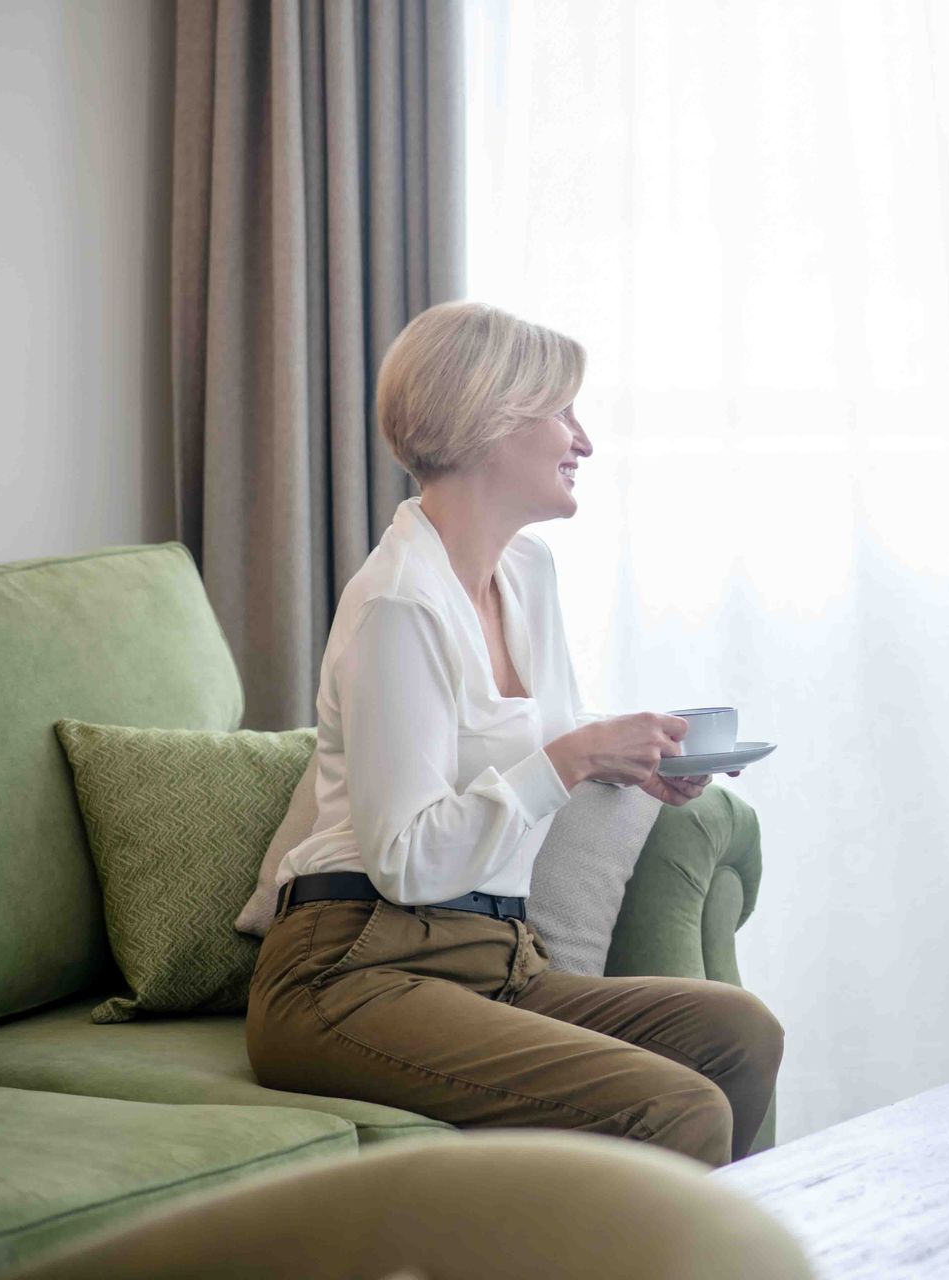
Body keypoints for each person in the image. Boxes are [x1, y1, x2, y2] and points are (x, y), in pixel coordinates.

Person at [247, 301, 781, 1167]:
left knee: (738, 1034)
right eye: (563, 412)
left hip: (498, 958)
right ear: (490, 418)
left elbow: (541, 743)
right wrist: (574, 758)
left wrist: (633, 762)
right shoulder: (399, 604)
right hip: (351, 969)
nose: (584, 440)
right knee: (674, 1105)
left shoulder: (527, 572)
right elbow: (408, 860)